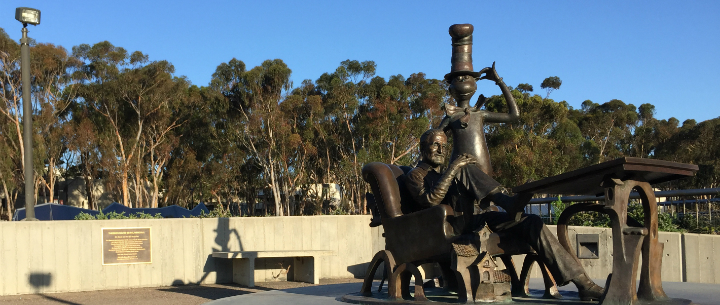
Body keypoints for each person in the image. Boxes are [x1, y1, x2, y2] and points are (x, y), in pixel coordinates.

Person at [405, 129, 604, 301]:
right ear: (423, 148)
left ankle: (584, 284)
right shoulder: (415, 175)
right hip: (446, 227)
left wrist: (455, 171)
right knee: (463, 168)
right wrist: (454, 168)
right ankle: (508, 202)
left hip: (472, 219)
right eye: (435, 145)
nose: (441, 150)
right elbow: (429, 201)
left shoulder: (444, 173)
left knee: (531, 222)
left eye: (444, 146)